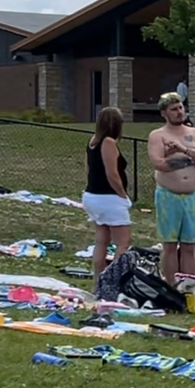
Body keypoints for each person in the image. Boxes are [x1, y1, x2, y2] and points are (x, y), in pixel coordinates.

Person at [147, 92, 195, 285]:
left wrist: (183, 150)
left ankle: (189, 288)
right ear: (164, 113)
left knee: (189, 246)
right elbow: (158, 163)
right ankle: (170, 286)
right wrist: (191, 158)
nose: (179, 112)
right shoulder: (158, 135)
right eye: (174, 109)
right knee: (169, 245)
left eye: (180, 108)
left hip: (193, 197)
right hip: (168, 196)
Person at [83, 107, 132, 279]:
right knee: (123, 242)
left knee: (102, 240)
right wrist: (123, 195)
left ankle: (99, 279)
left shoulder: (93, 141)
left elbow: (88, 169)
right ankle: (114, 279)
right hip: (109, 197)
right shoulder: (108, 143)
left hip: (92, 195)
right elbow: (112, 173)